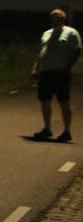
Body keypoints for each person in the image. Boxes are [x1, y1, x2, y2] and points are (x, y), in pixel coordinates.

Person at [31, 8, 81, 142]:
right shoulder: (46, 33)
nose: (55, 19)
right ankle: (47, 128)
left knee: (63, 101)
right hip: (46, 72)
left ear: (64, 18)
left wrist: (68, 66)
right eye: (53, 16)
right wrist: (36, 66)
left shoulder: (71, 32)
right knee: (44, 101)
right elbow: (42, 51)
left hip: (61, 72)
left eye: (58, 16)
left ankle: (66, 131)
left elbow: (77, 51)